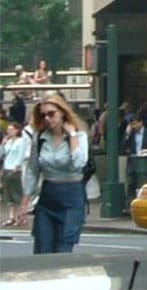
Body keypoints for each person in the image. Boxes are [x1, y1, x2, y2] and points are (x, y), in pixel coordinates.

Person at [24, 94, 89, 254]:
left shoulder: (79, 136)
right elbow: (33, 169)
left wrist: (72, 135)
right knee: (42, 249)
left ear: (62, 113)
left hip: (71, 196)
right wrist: (25, 200)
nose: (47, 118)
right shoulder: (40, 138)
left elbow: (79, 163)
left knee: (63, 251)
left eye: (51, 113)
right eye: (43, 115)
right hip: (48, 197)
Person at [2, 121, 29, 226]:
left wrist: (17, 165)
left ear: (17, 130)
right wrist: (3, 144)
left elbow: (21, 154)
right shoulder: (8, 142)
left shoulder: (21, 141)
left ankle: (20, 216)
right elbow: (2, 154)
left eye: (11, 129)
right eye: (8, 129)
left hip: (15, 169)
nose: (9, 131)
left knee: (17, 193)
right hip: (6, 168)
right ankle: (11, 216)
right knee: (8, 194)